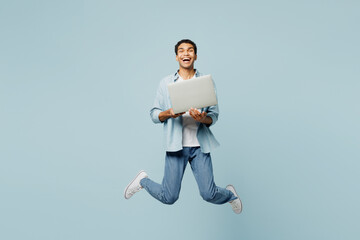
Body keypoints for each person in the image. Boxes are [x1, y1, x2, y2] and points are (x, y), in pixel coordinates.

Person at [124, 39, 242, 214]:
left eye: (190, 50)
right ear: (176, 56)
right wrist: (169, 113)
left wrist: (203, 118)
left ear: (195, 55)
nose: (186, 54)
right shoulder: (166, 83)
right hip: (176, 147)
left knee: (208, 194)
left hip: (200, 147)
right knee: (169, 197)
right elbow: (154, 115)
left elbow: (214, 116)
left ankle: (230, 195)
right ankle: (143, 181)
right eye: (181, 51)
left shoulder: (206, 81)